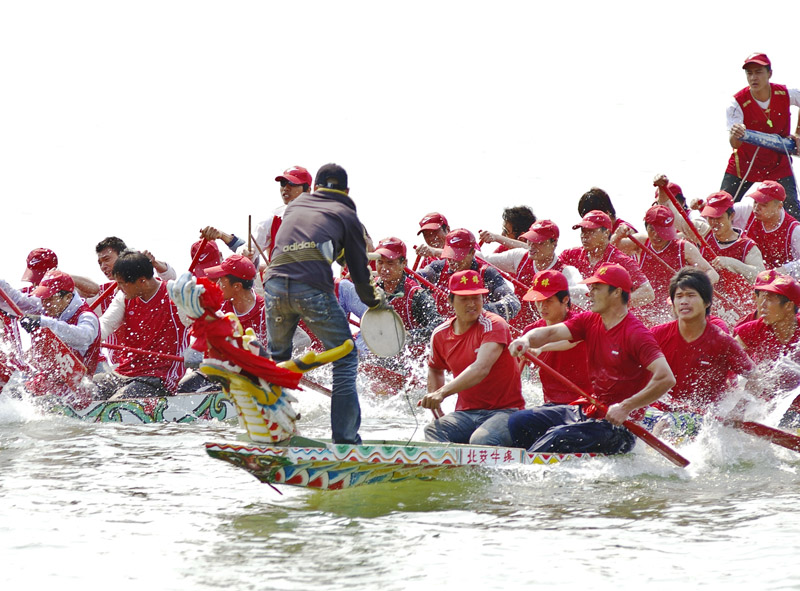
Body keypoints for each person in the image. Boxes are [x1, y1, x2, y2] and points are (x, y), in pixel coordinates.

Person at [263, 163, 381, 444]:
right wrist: (374, 302)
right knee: (345, 356)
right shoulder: (346, 212)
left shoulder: (293, 208)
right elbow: (358, 270)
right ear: (346, 191)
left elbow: (310, 244)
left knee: (277, 362)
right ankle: (346, 440)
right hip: (311, 285)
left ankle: (274, 432)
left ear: (314, 188)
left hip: (274, 284)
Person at [506, 263, 675, 454]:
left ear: (617, 293)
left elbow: (666, 377)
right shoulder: (589, 320)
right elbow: (551, 332)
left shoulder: (636, 334)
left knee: (557, 437)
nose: (589, 294)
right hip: (589, 411)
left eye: (596, 288)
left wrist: (626, 407)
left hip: (618, 427)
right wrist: (526, 340)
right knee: (519, 420)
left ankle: (531, 466)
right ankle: (533, 460)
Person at [419, 269, 525, 446]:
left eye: (476, 298)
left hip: (505, 412)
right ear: (450, 300)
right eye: (464, 298)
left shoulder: (494, 324)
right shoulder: (440, 334)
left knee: (481, 439)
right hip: (466, 414)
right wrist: (436, 408)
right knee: (432, 429)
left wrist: (441, 393)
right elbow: (435, 368)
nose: (472, 304)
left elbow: (481, 368)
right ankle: (450, 471)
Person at [647, 269, 753, 438]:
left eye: (690, 295)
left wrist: (738, 409)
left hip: (704, 417)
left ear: (707, 303)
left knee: (665, 425)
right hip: (659, 409)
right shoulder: (656, 334)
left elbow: (755, 376)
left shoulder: (722, 341)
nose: (684, 301)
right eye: (679, 296)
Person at [94, 251, 190, 399]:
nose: (118, 288)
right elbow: (105, 324)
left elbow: (204, 325)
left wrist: (196, 351)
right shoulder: (123, 297)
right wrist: (86, 337)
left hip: (160, 378)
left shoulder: (175, 294)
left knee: (118, 402)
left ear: (142, 281)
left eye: (121, 283)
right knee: (85, 390)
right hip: (124, 372)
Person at [0, 270, 102, 400]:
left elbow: (83, 337)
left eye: (49, 298)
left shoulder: (87, 316)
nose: (44, 303)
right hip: (46, 382)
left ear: (68, 297)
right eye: (42, 298)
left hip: (77, 389)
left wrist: (44, 322)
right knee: (8, 398)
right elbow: (18, 301)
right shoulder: (50, 305)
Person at [722, 52, 800, 216]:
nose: (753, 78)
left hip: (778, 163)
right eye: (749, 73)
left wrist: (798, 133)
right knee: (723, 208)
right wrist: (736, 134)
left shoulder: (785, 93)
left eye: (758, 72)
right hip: (745, 164)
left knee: (792, 211)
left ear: (769, 74)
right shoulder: (736, 103)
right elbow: (734, 144)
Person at [615, 205, 718, 326]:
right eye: (652, 230)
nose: (656, 236)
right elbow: (611, 248)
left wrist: (691, 287)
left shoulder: (683, 247)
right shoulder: (641, 242)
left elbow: (713, 274)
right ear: (646, 227)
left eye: (661, 231)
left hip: (671, 312)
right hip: (643, 312)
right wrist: (618, 235)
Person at [734, 272, 800, 426]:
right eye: (761, 298)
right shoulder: (752, 329)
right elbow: (725, 357)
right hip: (769, 409)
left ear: (789, 306)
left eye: (769, 300)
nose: (762, 305)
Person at [480, 220, 567, 330]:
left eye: (539, 242)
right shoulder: (520, 256)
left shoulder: (565, 272)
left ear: (554, 244)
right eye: (530, 240)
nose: (532, 246)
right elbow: (483, 260)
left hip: (544, 335)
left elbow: (582, 298)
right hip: (514, 330)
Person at [521, 269, 592, 405]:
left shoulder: (581, 322)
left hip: (585, 402)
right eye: (538, 300)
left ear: (565, 300)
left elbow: (569, 341)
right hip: (551, 404)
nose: (542, 306)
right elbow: (517, 372)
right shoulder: (530, 331)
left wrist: (541, 348)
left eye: (548, 301)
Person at [419, 228, 520, 322]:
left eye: (458, 255)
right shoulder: (437, 268)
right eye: (450, 254)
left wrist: (477, 311)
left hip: (480, 328)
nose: (453, 260)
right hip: (447, 330)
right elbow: (414, 280)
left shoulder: (486, 273)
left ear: (472, 253)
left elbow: (513, 303)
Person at [558, 210, 655, 307]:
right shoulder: (571, 255)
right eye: (583, 231)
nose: (585, 236)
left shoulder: (621, 261)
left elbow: (648, 293)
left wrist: (613, 304)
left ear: (606, 233)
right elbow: (552, 269)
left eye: (591, 231)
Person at [698, 191, 765, 318]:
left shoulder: (748, 246)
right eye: (711, 218)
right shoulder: (703, 234)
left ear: (732, 215)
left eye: (719, 218)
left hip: (738, 312)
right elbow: (679, 222)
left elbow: (760, 276)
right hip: (709, 307)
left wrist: (731, 263)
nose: (714, 223)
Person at [372, 236, 442, 345]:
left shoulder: (417, 295)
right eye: (380, 262)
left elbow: (438, 326)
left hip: (412, 357)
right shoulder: (370, 288)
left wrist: (407, 336)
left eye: (390, 263)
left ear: (404, 263)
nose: (384, 268)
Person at [253, 165, 314, 266]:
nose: (286, 188)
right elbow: (251, 248)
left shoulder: (320, 220)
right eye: (283, 183)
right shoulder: (273, 219)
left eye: (292, 184)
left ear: (307, 190)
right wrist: (247, 252)